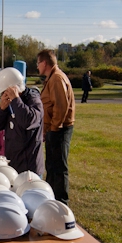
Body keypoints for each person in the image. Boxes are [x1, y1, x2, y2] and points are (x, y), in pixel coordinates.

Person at [37, 49, 75, 204]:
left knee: (59, 167)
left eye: (38, 63)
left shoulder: (57, 79)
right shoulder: (51, 78)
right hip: (54, 129)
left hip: (59, 130)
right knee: (51, 166)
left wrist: (53, 129)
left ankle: (60, 202)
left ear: (44, 63)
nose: (37, 67)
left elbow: (60, 107)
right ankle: (51, 199)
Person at [0, 80, 44, 175]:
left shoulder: (32, 99)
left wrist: (16, 100)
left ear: (13, 89)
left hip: (29, 167)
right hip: (13, 163)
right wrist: (1, 109)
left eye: (5, 92)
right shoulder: (11, 102)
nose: (3, 95)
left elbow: (29, 121)